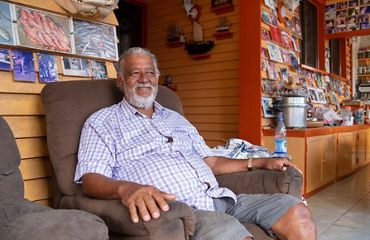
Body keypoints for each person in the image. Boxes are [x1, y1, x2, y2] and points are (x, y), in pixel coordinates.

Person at [75, 47, 316, 240]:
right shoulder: (102, 122)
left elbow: (210, 161)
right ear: (120, 80)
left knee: (296, 211)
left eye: (149, 73)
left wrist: (261, 161)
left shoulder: (175, 118)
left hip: (220, 198)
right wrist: (126, 189)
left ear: (157, 78)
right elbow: (90, 179)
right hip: (183, 212)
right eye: (135, 73)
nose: (144, 79)